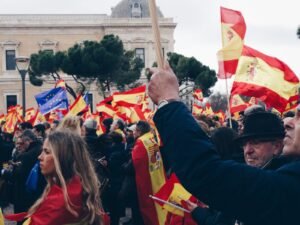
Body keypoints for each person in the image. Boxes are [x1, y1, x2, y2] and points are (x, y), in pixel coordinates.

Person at [148, 63, 300, 225]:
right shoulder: (281, 173)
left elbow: (207, 172)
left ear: (277, 146)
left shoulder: (291, 184)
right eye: (244, 144)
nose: (289, 122)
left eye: (299, 116)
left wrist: (169, 102)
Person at [6, 130, 103, 225]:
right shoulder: (77, 189)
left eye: (47, 152)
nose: (40, 157)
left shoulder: (61, 202)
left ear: (63, 158)